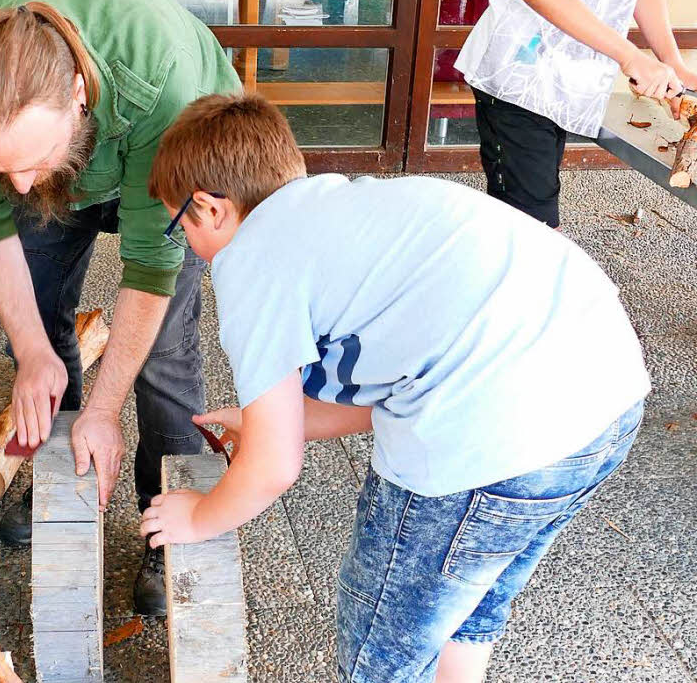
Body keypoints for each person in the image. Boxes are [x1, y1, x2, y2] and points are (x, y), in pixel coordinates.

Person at [140, 93, 651, 682]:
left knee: (382, 647)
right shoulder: (344, 208)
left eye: (179, 225)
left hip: (494, 432)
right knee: (470, 595)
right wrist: (272, 418)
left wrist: (201, 517)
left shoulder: (250, 257)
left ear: (210, 208)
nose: (186, 245)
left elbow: (275, 467)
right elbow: (395, 386)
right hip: (602, 402)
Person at [0, 0, 240, 615]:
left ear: (74, 90)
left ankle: (171, 516)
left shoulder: (162, 82)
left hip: (168, 136)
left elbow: (152, 265)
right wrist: (34, 349)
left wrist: (106, 406)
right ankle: (66, 477)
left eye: (28, 163)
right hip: (82, 135)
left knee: (163, 358)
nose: (16, 185)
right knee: (34, 322)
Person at [455, 0, 697, 228]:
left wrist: (672, 61)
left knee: (527, 221)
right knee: (530, 230)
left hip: (566, 79)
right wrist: (629, 56)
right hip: (520, 72)